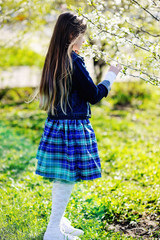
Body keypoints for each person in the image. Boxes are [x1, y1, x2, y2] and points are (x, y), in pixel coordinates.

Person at [33, 11, 122, 240]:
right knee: (66, 179)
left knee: (62, 177)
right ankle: (53, 231)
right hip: (71, 128)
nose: (84, 41)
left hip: (57, 125)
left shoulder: (55, 57)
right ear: (73, 35)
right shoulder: (73, 60)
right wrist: (110, 76)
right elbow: (92, 94)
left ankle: (58, 221)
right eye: (82, 36)